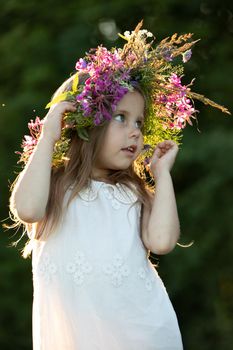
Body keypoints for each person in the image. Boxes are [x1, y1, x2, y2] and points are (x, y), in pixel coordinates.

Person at [8, 22, 229, 350]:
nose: (135, 132)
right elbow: (25, 208)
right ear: (87, 125)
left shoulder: (133, 192)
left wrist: (162, 174)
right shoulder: (54, 184)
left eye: (139, 122)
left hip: (141, 334)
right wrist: (48, 137)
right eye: (121, 118)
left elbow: (163, 241)